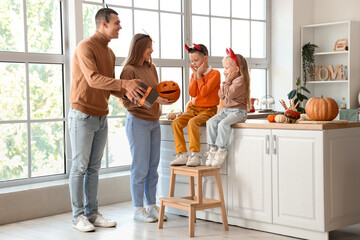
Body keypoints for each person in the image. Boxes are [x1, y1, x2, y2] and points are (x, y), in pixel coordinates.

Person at [68, 8, 144, 232]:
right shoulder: (85, 47)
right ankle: (77, 216)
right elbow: (93, 79)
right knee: (79, 167)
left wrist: (128, 93)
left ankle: (92, 213)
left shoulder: (109, 53)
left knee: (93, 168)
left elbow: (108, 84)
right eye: (116, 23)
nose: (120, 27)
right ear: (103, 24)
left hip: (101, 115)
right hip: (82, 114)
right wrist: (124, 85)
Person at [120, 33, 175, 223]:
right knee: (140, 166)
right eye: (148, 47)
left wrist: (165, 97)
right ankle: (138, 208)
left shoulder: (151, 68)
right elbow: (127, 99)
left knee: (153, 166)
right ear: (139, 48)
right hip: (138, 122)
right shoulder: (128, 71)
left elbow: (155, 90)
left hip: (154, 122)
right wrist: (156, 99)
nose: (152, 50)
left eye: (152, 46)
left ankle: (151, 205)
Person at [170, 44, 220, 167]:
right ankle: (182, 154)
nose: (194, 63)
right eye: (192, 61)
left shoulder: (215, 74)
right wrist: (195, 76)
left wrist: (198, 76)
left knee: (192, 123)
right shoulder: (194, 74)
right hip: (194, 109)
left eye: (196, 60)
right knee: (176, 122)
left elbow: (203, 91)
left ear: (205, 59)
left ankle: (195, 155)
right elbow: (192, 93)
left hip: (209, 110)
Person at [205, 48, 250, 167]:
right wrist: (227, 82)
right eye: (224, 68)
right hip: (226, 110)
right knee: (210, 122)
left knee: (222, 124)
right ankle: (212, 149)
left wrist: (228, 81)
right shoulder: (229, 81)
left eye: (226, 68)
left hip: (238, 112)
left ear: (236, 70)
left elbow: (229, 94)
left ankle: (221, 150)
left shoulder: (241, 80)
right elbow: (221, 95)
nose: (224, 71)